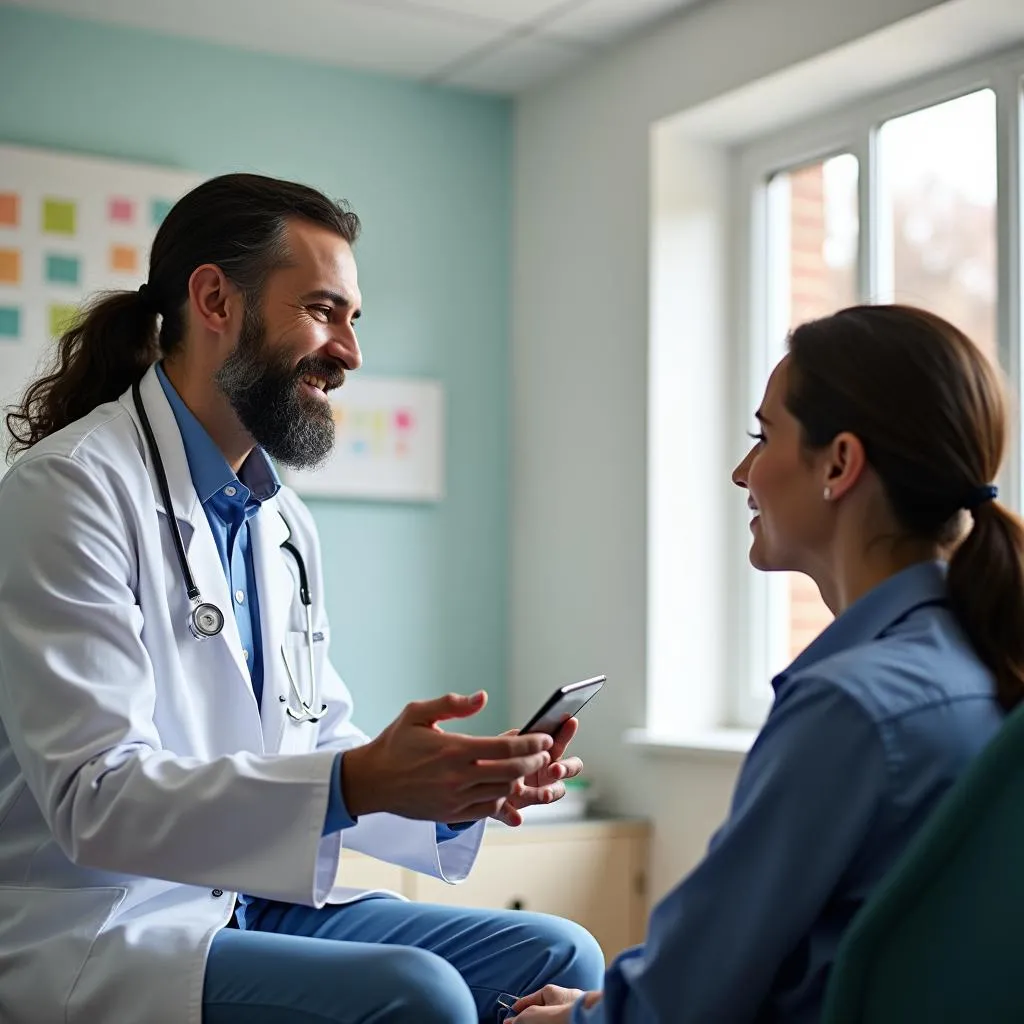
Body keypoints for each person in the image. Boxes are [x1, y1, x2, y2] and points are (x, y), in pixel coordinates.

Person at [0, 172, 604, 1024]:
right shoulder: (68, 490)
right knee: (419, 995)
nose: (350, 351)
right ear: (215, 299)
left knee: (560, 952)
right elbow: (93, 798)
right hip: (105, 923)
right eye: (323, 310)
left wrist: (450, 784)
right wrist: (358, 780)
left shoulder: (280, 521)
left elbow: (312, 740)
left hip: (244, 896)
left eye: (353, 319)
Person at [509, 304, 1024, 1023]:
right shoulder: (983, 666)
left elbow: (682, 1006)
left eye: (764, 436)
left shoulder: (852, 706)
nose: (740, 471)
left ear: (839, 463)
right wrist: (597, 1007)